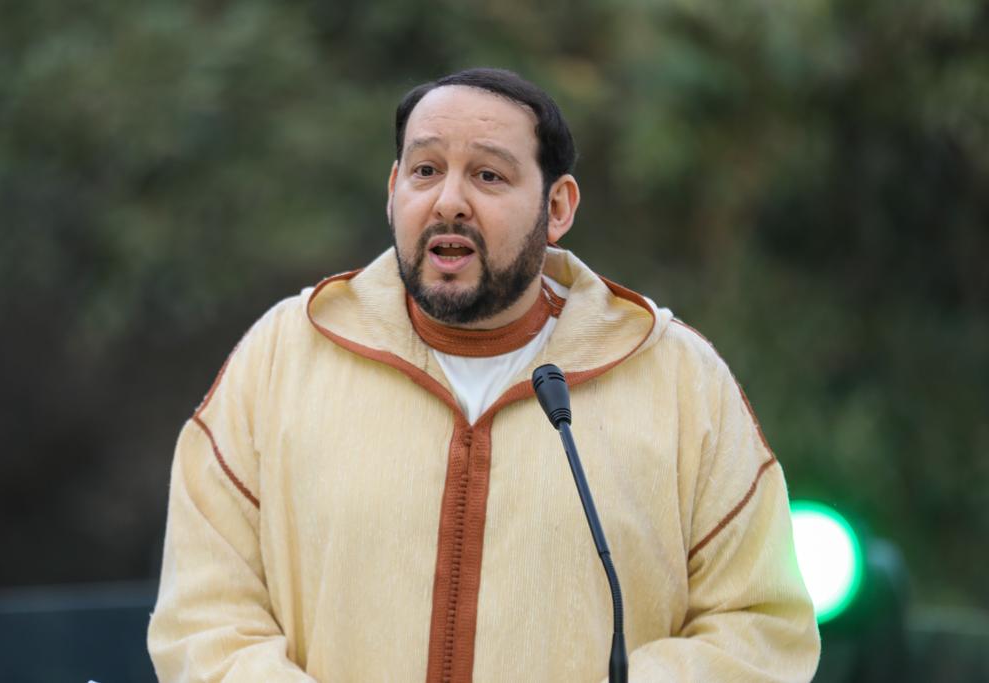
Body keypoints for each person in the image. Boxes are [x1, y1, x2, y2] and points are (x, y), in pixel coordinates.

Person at [148, 68, 820, 682]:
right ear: (392, 192)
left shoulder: (676, 378)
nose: (449, 201)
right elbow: (204, 620)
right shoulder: (282, 358)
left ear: (558, 208)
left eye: (489, 176)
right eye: (425, 170)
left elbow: (759, 628)